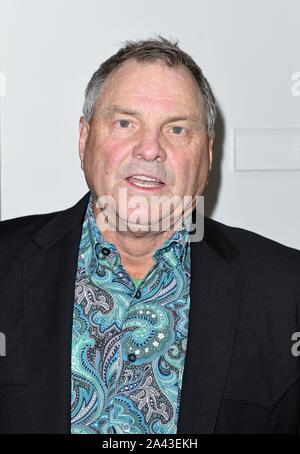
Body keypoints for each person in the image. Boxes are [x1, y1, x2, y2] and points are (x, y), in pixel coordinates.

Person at [0, 37, 300, 435]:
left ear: (208, 155)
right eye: (125, 122)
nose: (149, 149)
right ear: (84, 139)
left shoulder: (286, 290)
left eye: (177, 129)